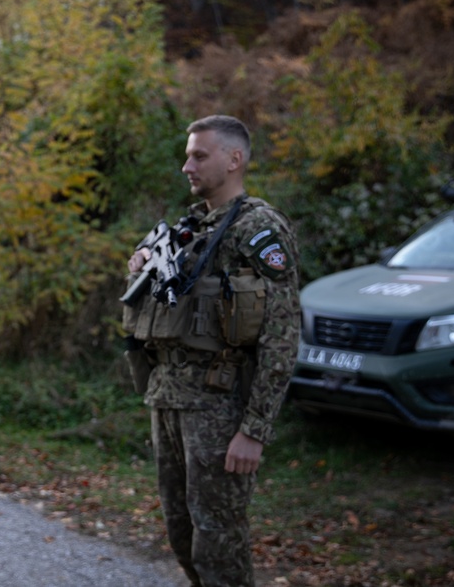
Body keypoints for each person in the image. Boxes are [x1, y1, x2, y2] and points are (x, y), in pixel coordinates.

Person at [122, 115, 300, 586]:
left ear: (234, 159)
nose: (187, 166)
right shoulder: (188, 229)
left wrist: (255, 430)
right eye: (187, 155)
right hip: (168, 401)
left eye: (199, 155)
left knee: (219, 541)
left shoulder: (258, 229)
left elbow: (281, 335)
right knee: (181, 533)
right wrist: (140, 267)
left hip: (219, 408)